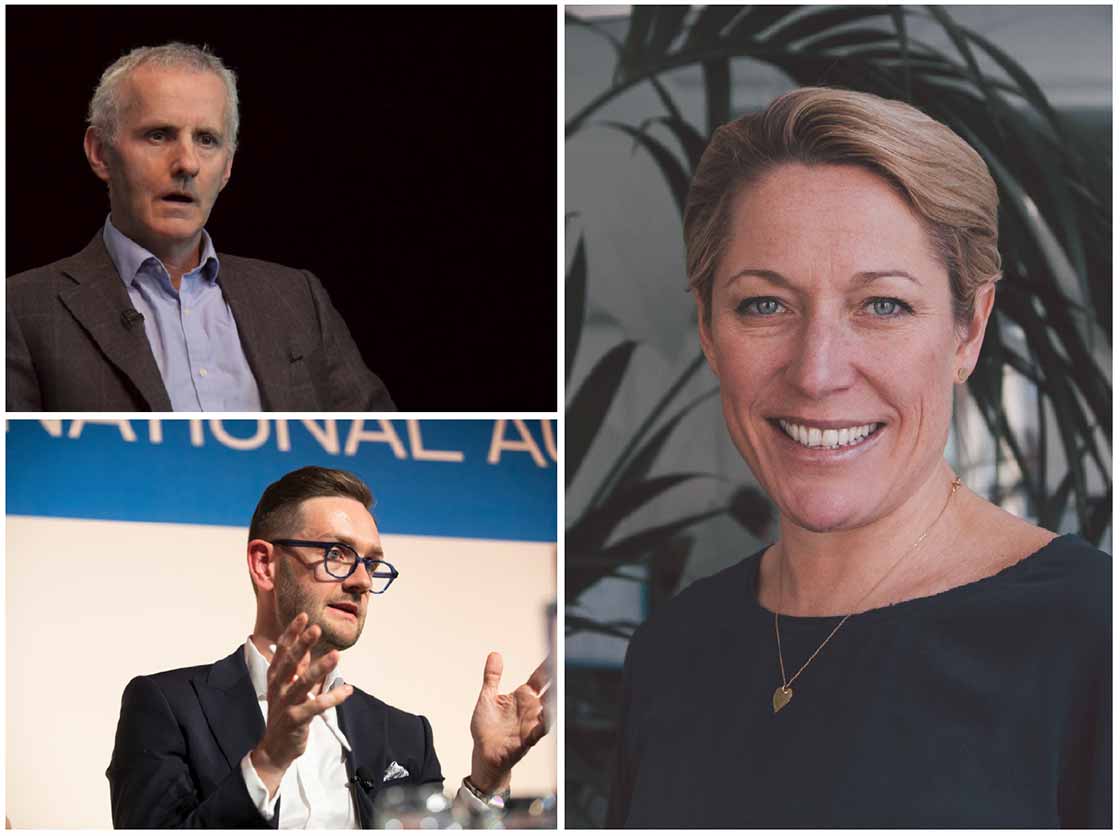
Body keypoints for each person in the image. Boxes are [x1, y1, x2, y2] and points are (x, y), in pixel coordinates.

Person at [608, 88, 1110, 828]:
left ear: (968, 331)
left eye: (883, 306)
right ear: (709, 331)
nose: (817, 373)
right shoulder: (671, 650)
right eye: (765, 305)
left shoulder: (1095, 635)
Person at [107, 466, 550, 828]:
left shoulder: (404, 735)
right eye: (337, 553)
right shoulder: (168, 706)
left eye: (372, 563)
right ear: (265, 564)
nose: (361, 581)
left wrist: (488, 781)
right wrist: (269, 760)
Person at [7, 42, 393, 411]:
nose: (187, 164)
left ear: (227, 167)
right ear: (100, 152)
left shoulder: (297, 298)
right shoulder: (19, 310)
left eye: (206, 140)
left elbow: (379, 436)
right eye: (159, 135)